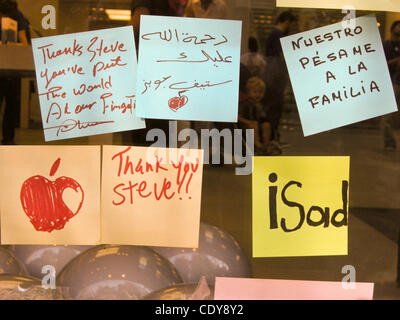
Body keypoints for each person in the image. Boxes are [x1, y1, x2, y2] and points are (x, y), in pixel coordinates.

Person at [263, 11, 297, 148]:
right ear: (287, 21)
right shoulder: (278, 34)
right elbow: (282, 54)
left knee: (275, 106)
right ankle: (272, 137)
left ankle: (273, 136)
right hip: (275, 77)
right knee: (275, 106)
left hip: (274, 75)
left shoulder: (276, 34)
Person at [0, 0, 30, 145]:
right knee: (10, 104)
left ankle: (8, 138)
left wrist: (19, 47)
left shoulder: (17, 15)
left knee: (12, 105)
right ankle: (8, 139)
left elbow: (24, 40)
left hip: (12, 67)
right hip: (7, 65)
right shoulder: (16, 14)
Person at [238, 77, 272, 155]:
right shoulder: (245, 104)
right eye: (255, 92)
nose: (258, 94)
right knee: (254, 124)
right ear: (249, 92)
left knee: (266, 125)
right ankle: (257, 144)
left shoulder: (259, 105)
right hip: (244, 124)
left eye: (260, 92)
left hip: (255, 123)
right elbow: (238, 117)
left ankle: (266, 145)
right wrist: (248, 122)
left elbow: (262, 117)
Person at [382, 20, 400, 150]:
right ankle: (389, 142)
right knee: (387, 117)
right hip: (391, 83)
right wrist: (395, 61)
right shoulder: (386, 46)